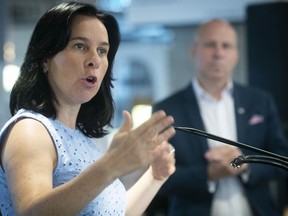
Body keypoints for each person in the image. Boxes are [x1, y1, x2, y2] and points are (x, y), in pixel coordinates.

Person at [0, 2, 176, 216]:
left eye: (102, 51)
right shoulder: (30, 130)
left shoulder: (82, 137)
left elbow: (112, 212)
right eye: (80, 46)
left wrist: (155, 176)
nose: (95, 60)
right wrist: (110, 166)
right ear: (46, 58)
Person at [147, 19, 288, 216]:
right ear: (193, 51)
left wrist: (246, 165)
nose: (218, 53)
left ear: (236, 55)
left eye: (226, 46)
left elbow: (282, 157)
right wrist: (209, 174)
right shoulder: (167, 109)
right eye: (210, 44)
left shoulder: (260, 101)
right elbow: (156, 177)